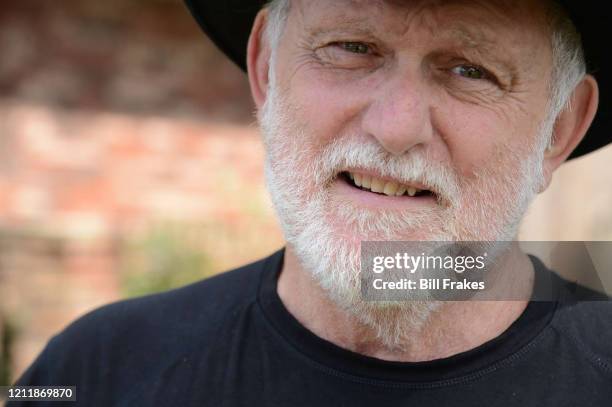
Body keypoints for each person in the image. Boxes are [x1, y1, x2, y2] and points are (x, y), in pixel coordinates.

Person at [9, 0, 612, 405]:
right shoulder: (94, 374)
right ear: (265, 70)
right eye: (352, 47)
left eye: (468, 69)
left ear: (560, 128)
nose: (396, 128)